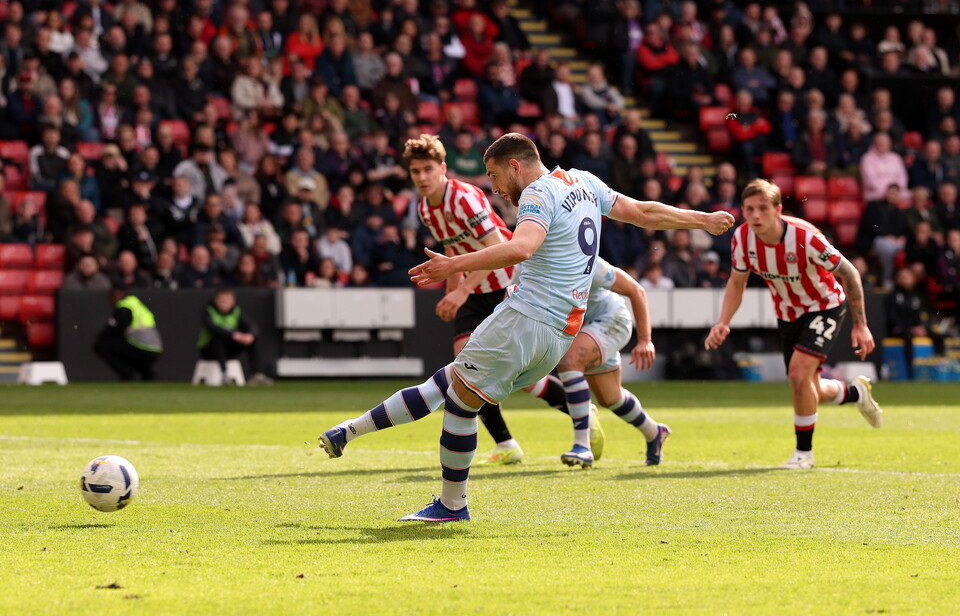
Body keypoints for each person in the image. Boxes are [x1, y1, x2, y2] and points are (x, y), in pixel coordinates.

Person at [318, 132, 734, 521]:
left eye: (496, 177)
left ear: (516, 167)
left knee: (450, 392)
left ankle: (428, 487)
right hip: (559, 335)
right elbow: (643, 213)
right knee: (458, 395)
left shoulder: (538, 191)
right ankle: (366, 444)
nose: (495, 188)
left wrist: (453, 266)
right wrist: (702, 219)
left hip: (526, 318)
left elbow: (520, 247)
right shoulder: (584, 182)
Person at [401, 133, 574, 465]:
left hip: (502, 284)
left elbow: (498, 248)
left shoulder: (464, 197)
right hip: (470, 287)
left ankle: (579, 411)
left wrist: (461, 289)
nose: (421, 178)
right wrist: (454, 290)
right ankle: (506, 443)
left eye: (427, 169)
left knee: (512, 378)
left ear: (443, 168)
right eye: (415, 172)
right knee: (467, 370)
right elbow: (452, 248)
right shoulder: (426, 208)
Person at [705, 179, 883, 470]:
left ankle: (804, 454)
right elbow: (737, 282)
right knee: (808, 386)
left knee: (798, 375)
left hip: (824, 306)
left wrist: (860, 324)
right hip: (788, 313)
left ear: (778, 209)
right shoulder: (742, 239)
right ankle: (855, 393)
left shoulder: (805, 237)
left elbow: (850, 273)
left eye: (763, 208)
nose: (756, 216)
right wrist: (723, 322)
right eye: (749, 209)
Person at [555, 257, 669, 469]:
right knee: (611, 398)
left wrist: (644, 340)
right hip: (582, 328)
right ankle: (654, 432)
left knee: (570, 363)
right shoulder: (529, 263)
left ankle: (582, 446)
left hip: (610, 320)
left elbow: (636, 290)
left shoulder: (583, 259)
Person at [198, 288, 273, 386]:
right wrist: (234, 335)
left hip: (229, 350)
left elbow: (251, 326)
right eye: (222, 300)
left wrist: (250, 335)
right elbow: (212, 328)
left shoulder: (237, 312)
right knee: (218, 338)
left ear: (233, 302)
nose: (224, 303)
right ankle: (225, 375)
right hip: (208, 350)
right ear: (216, 301)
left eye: (227, 300)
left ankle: (256, 374)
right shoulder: (208, 311)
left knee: (250, 340)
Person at [93, 286, 163, 381]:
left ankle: (128, 374)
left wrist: (98, 340)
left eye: (114, 295)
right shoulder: (135, 302)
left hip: (142, 347)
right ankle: (147, 373)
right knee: (123, 347)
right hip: (155, 348)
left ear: (122, 293)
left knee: (102, 346)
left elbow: (115, 331)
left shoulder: (125, 307)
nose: (112, 298)